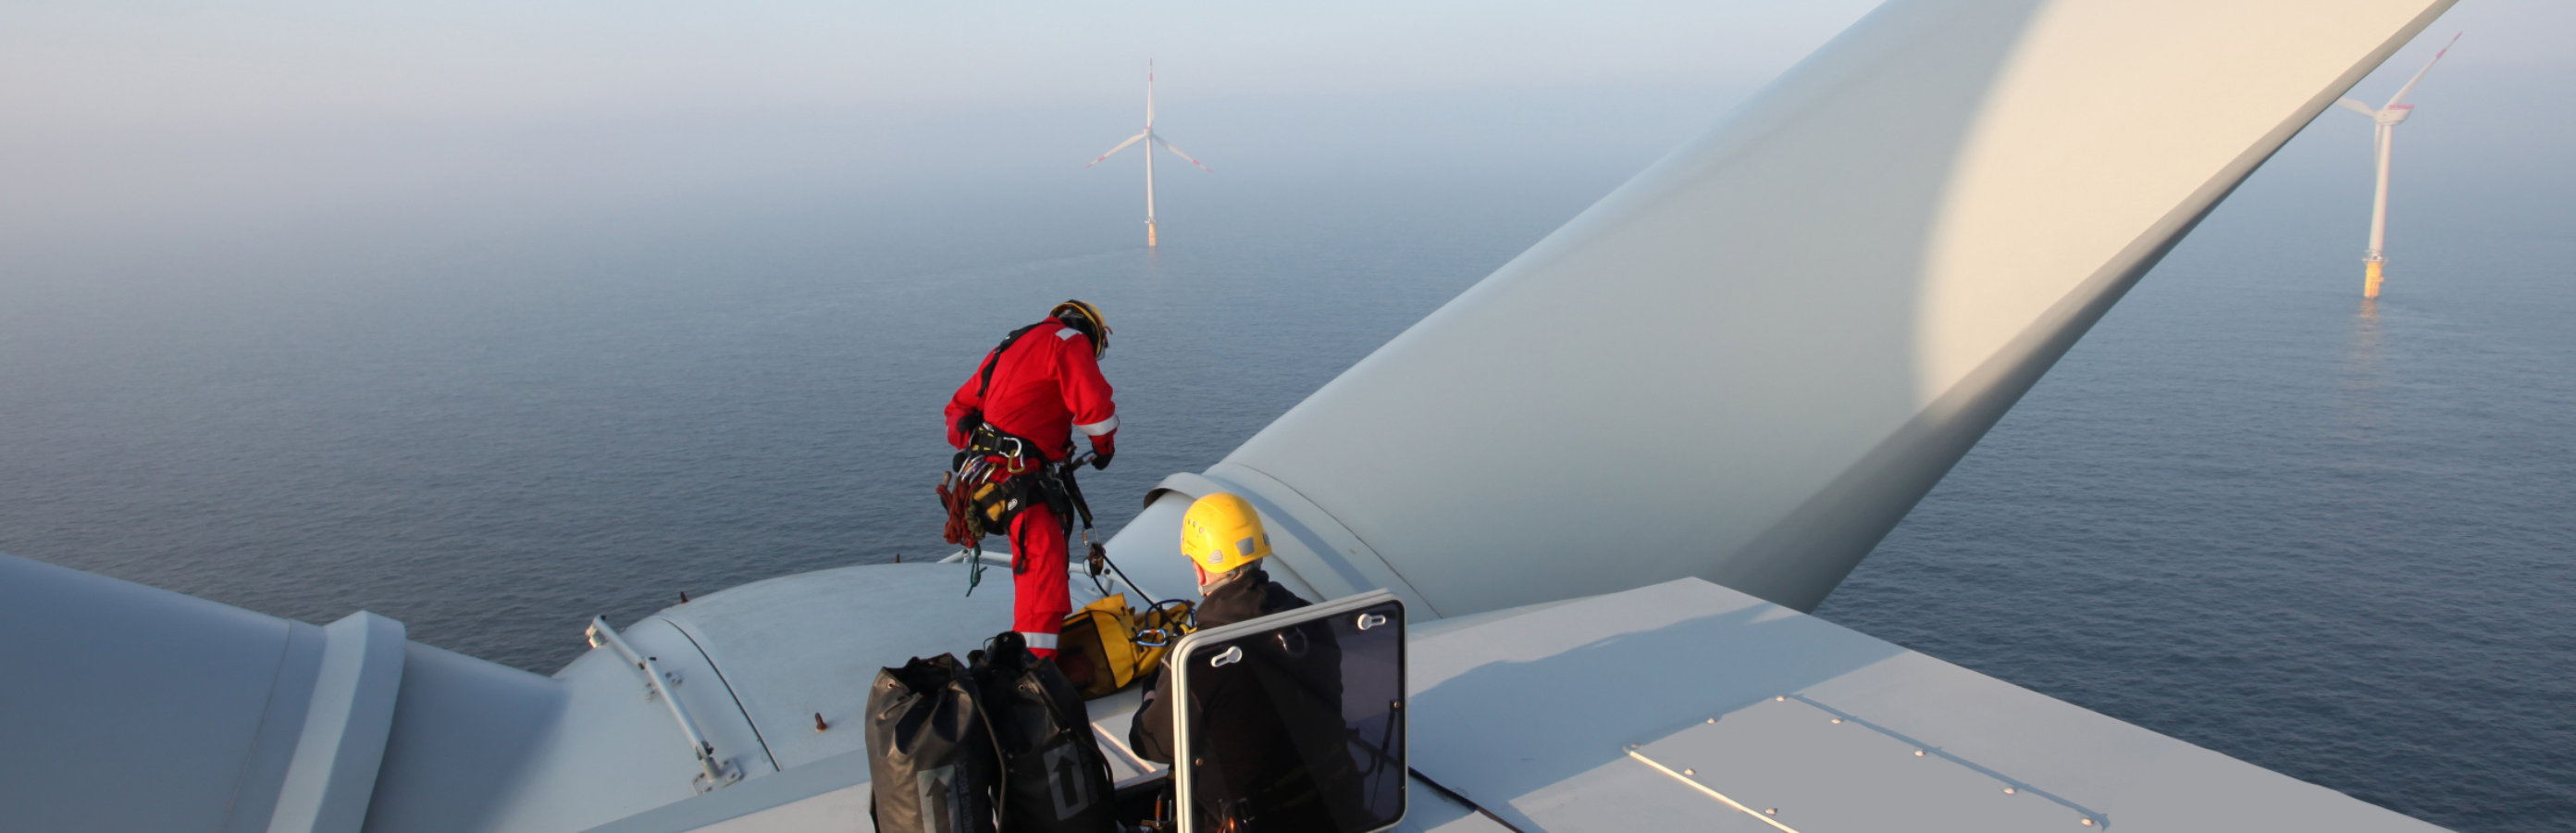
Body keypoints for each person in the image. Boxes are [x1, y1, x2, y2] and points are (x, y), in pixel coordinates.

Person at [1132, 492, 1351, 831]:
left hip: (1246, 822)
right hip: (1330, 810)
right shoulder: (1312, 621)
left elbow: (1152, 744)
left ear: (1200, 571)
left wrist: (1150, 695)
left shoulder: (1196, 657)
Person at [946, 300, 1119, 660]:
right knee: (1042, 574)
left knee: (1036, 566)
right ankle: (1037, 670)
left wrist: (977, 444)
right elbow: (1095, 409)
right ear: (1092, 334)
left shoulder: (1011, 343)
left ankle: (1031, 658)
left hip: (987, 476)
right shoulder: (1070, 342)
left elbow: (959, 410)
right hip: (1022, 481)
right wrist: (1103, 448)